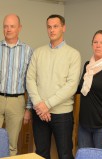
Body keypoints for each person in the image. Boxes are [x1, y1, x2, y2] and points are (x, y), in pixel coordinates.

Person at [26, 14, 81, 159]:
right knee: (41, 154)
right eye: (49, 27)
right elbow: (30, 79)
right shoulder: (38, 52)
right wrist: (39, 105)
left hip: (62, 115)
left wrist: (47, 104)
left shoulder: (73, 54)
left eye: (55, 26)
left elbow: (71, 86)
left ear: (63, 28)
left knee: (65, 154)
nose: (52, 30)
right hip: (39, 113)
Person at [0, 14, 33, 156]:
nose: (8, 29)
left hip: (17, 102)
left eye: (12, 26)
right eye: (5, 26)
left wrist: (28, 108)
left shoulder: (28, 51)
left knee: (12, 144)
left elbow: (31, 81)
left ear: (19, 28)